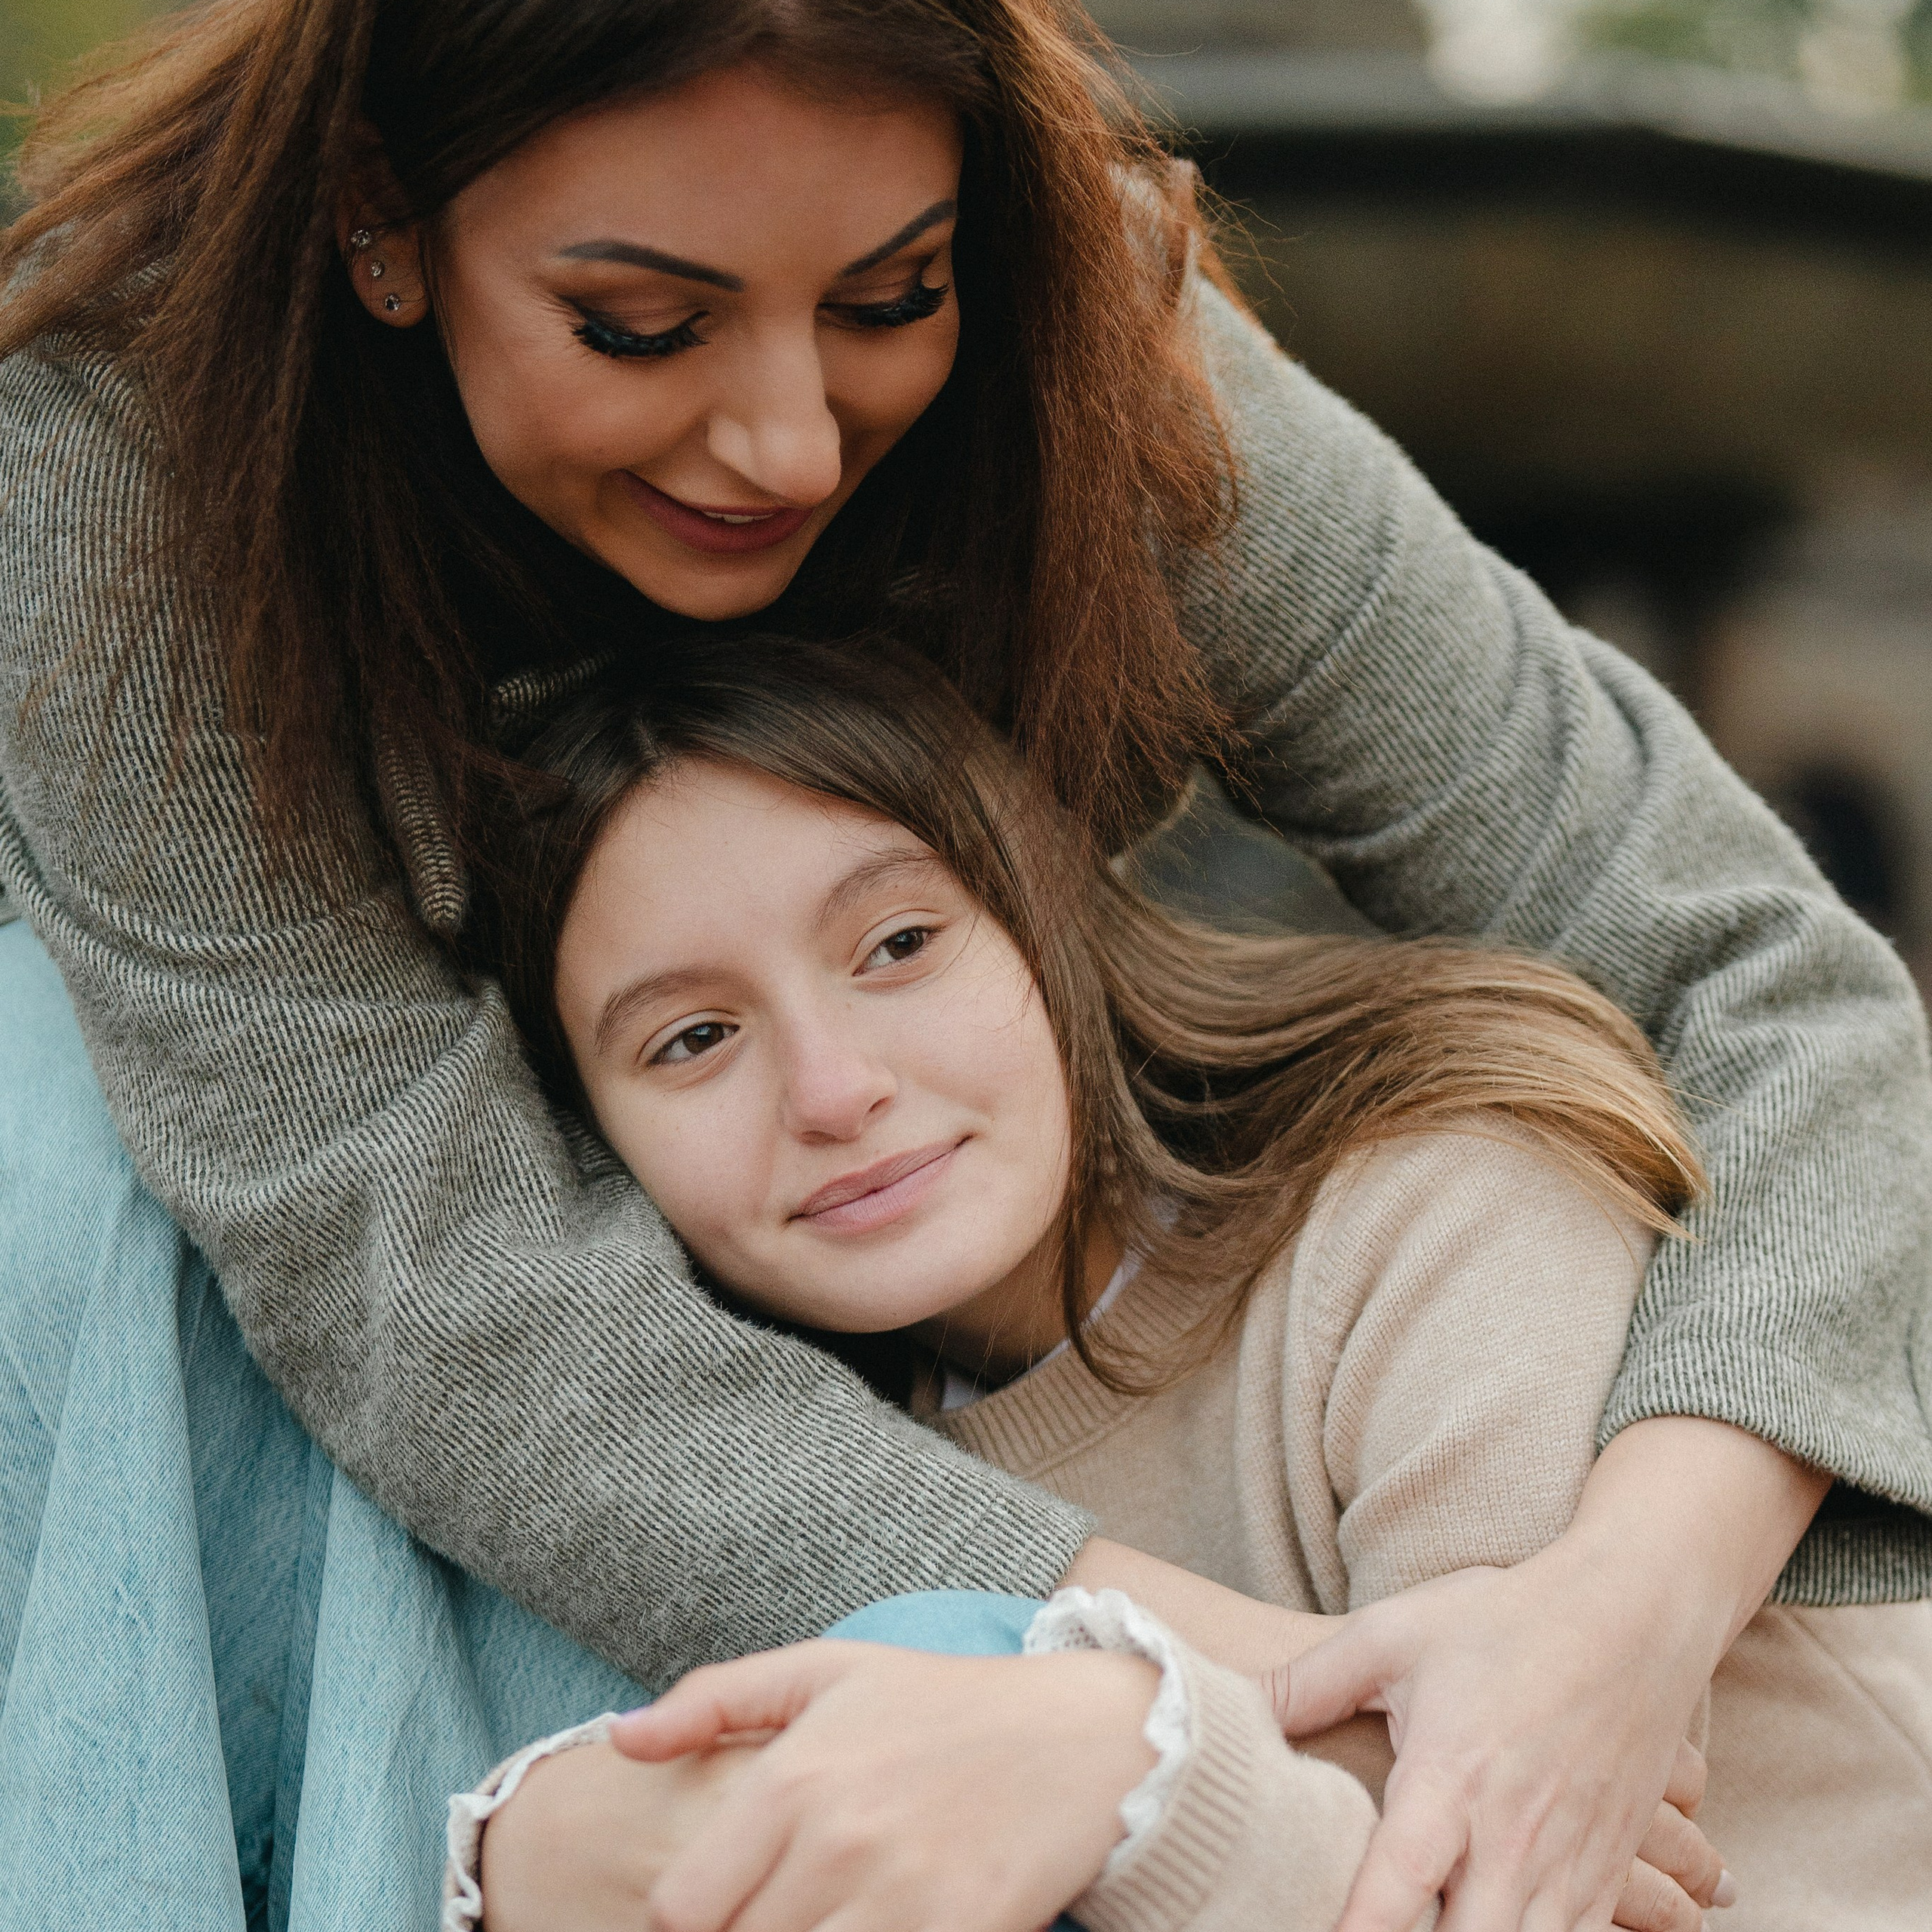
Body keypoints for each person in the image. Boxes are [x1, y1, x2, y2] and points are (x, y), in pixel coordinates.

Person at [0, 1, 1925, 1925]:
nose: (783, 436)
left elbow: (1762, 972)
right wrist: (1191, 1698)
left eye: (885, 294)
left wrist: (1604, 1614)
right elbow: (435, 1290)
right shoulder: (116, 466)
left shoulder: (1091, 327)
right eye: (643, 325)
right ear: (377, 222)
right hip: (383, 1442)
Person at [457, 632, 1932, 1932]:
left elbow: (1506, 1879)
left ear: (1042, 917)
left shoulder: (1432, 1216)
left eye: (897, 943)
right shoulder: (809, 1475)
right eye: (691, 1040)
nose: (833, 1089)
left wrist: (1124, 1759)